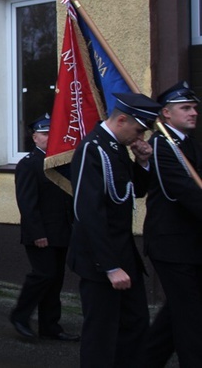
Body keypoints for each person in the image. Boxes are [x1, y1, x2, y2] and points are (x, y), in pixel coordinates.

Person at [68, 92, 160, 368]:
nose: (141, 136)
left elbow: (133, 192)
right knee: (102, 332)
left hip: (122, 254)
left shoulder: (117, 147)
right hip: (101, 260)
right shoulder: (92, 148)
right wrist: (108, 266)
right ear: (122, 120)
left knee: (135, 323)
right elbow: (88, 211)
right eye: (139, 129)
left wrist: (143, 163)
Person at [143, 81, 202, 368]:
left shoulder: (187, 143)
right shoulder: (161, 146)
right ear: (166, 113)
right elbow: (182, 191)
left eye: (194, 108)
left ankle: (147, 360)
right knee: (190, 314)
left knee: (178, 310)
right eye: (186, 108)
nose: (193, 113)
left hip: (190, 242)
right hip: (170, 243)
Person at [10, 114, 79, 341]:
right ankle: (20, 315)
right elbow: (27, 203)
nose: (49, 138)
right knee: (43, 274)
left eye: (53, 133)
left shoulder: (60, 162)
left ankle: (50, 326)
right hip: (40, 234)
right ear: (35, 137)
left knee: (55, 279)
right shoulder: (29, 164)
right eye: (45, 134)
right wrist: (37, 233)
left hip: (61, 231)